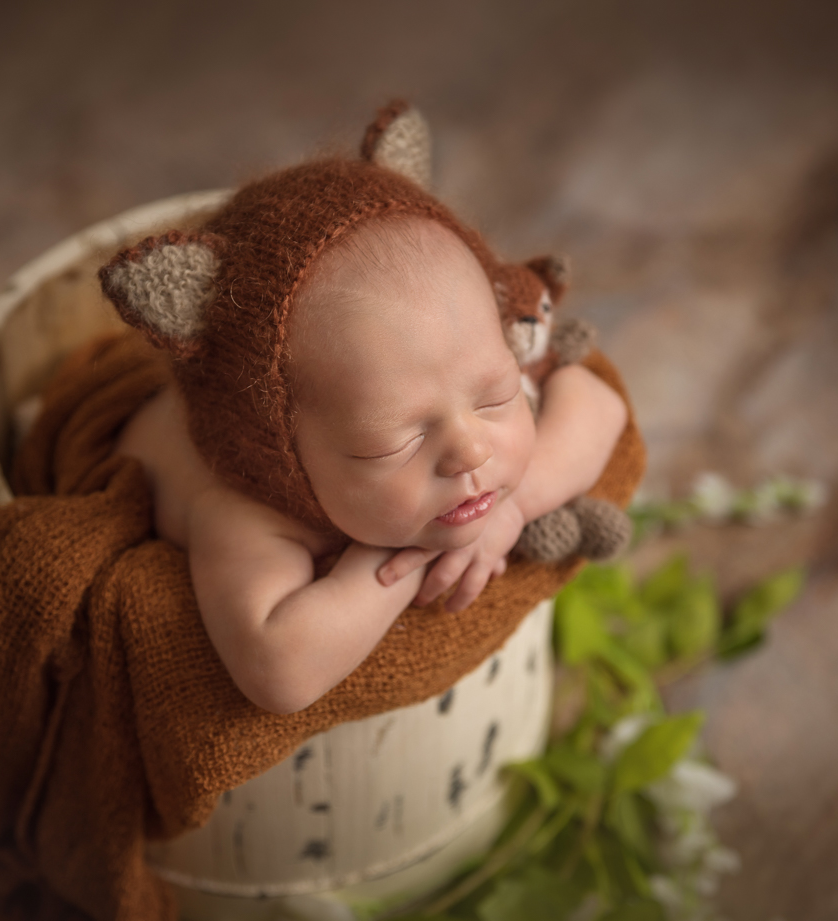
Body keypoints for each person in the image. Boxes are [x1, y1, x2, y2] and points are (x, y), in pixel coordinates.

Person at [102, 105, 627, 717]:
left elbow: (599, 403)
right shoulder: (249, 509)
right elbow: (278, 670)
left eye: (496, 396)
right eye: (391, 444)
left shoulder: (452, 361)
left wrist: (516, 503)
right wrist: (389, 563)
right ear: (283, 457)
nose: (473, 450)